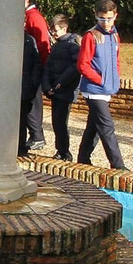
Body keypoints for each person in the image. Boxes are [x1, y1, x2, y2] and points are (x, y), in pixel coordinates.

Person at [76, 0, 125, 170]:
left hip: (106, 88)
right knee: (107, 127)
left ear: (115, 16)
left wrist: (114, 78)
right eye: (102, 19)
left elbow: (116, 60)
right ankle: (118, 166)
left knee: (94, 127)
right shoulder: (91, 36)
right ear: (96, 15)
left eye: (109, 19)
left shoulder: (115, 35)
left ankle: (82, 159)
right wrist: (100, 80)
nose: (105, 23)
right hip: (94, 89)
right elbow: (82, 64)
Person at [40, 13, 81, 162]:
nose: (53, 32)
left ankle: (64, 152)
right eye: (52, 29)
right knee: (56, 122)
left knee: (61, 122)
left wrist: (61, 82)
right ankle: (61, 150)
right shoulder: (57, 45)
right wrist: (47, 87)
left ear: (64, 28)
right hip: (56, 90)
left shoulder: (73, 44)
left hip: (66, 90)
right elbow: (48, 67)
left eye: (55, 29)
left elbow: (76, 67)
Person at [23, 0, 52, 151]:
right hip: (28, 67)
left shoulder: (33, 17)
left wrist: (42, 68)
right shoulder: (30, 16)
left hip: (35, 67)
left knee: (33, 103)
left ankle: (37, 136)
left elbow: (43, 44)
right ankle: (33, 135)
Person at [19, 23, 44, 157]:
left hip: (25, 85)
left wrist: (33, 83)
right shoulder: (5, 41)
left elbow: (36, 63)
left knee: (22, 119)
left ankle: (20, 148)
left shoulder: (29, 40)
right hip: (9, 87)